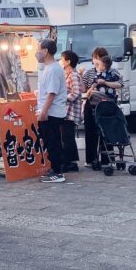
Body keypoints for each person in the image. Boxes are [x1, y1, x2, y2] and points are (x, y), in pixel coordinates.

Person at [83, 47, 122, 169]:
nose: (96, 61)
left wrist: (104, 82)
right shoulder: (89, 72)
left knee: (107, 131)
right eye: (95, 58)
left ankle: (107, 159)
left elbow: (120, 84)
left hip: (107, 105)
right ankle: (91, 159)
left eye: (99, 58)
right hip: (92, 105)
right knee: (90, 132)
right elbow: (84, 88)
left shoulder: (113, 71)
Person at [36, 39, 67, 184]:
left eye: (38, 49)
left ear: (45, 51)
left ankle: (57, 171)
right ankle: (54, 169)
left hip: (52, 113)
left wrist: (43, 111)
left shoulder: (54, 69)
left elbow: (52, 93)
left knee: (53, 142)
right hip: (50, 111)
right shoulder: (48, 68)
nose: (36, 53)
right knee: (49, 141)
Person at [60, 50, 82, 172]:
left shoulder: (73, 75)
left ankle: (70, 162)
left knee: (68, 137)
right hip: (66, 111)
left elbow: (77, 92)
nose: (61, 61)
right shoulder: (67, 74)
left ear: (68, 61)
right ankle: (70, 161)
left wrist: (63, 98)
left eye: (62, 59)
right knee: (66, 136)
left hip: (71, 111)